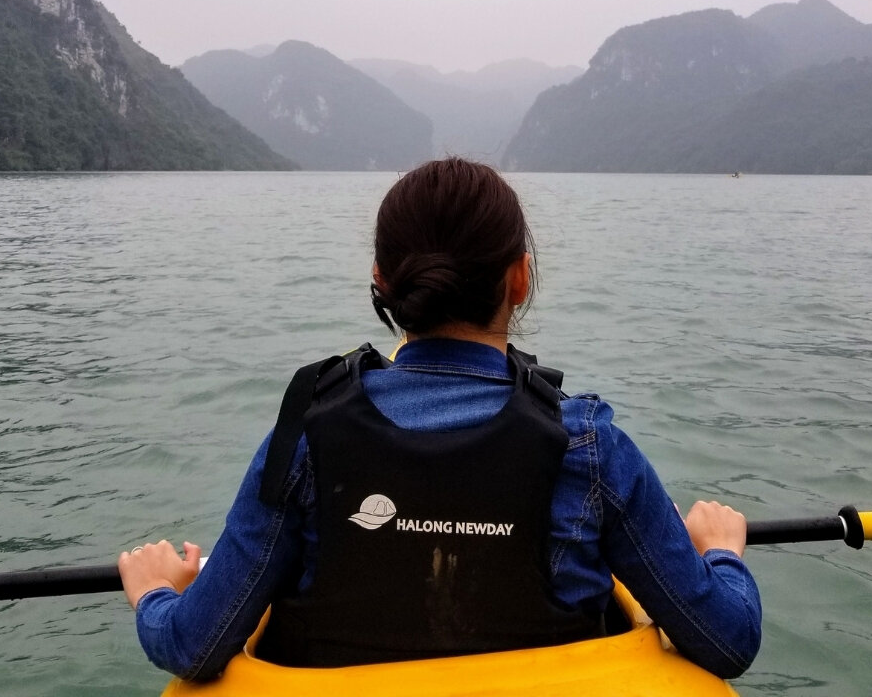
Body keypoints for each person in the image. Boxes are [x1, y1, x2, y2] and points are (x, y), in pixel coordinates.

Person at [118, 157, 761, 680]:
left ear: (382, 280)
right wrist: (721, 554)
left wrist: (155, 594)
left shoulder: (309, 438)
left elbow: (193, 647)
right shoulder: (590, 446)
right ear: (520, 278)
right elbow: (727, 642)